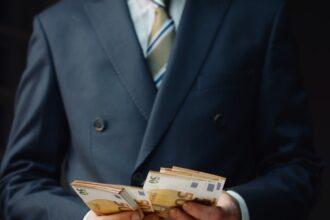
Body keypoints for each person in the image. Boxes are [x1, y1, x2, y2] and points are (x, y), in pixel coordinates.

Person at [0, 0, 322, 219]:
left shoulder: (257, 17)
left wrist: (235, 208)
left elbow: (298, 167)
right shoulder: (59, 27)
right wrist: (85, 219)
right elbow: (20, 181)